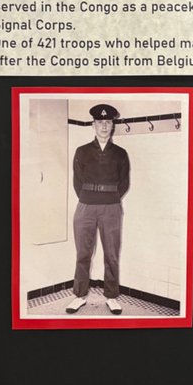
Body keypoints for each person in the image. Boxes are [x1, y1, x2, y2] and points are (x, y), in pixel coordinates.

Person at [67, 104, 130, 316]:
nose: (104, 125)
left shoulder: (121, 154)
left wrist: (109, 199)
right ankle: (79, 295)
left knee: (111, 254)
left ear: (112, 125)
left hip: (111, 208)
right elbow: (77, 182)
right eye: (100, 122)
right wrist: (89, 199)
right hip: (85, 207)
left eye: (108, 122)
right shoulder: (82, 151)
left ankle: (111, 296)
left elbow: (124, 184)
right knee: (83, 253)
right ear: (93, 125)